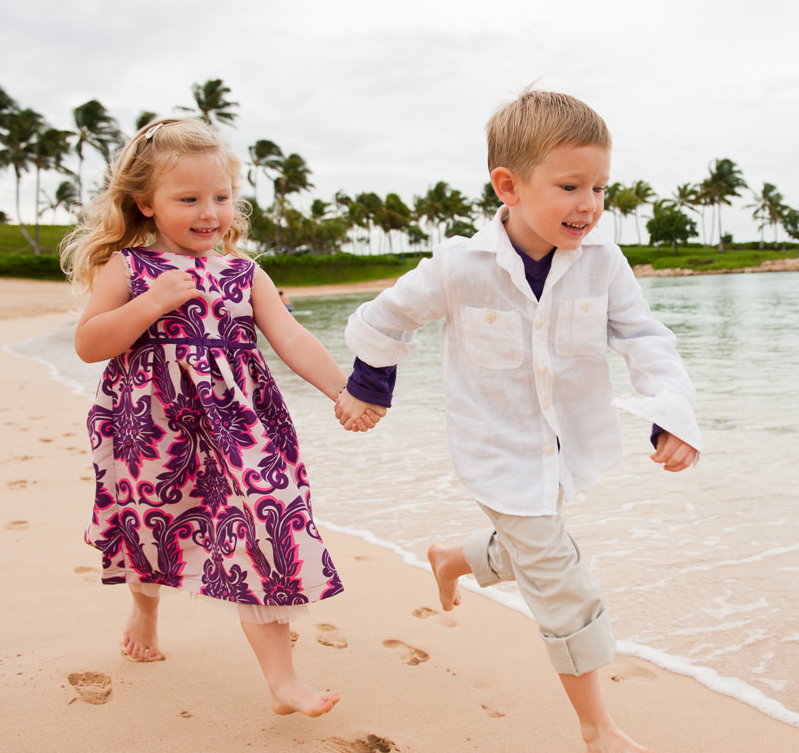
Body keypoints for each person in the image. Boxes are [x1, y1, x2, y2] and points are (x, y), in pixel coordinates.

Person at [334, 90, 700, 753]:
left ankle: (454, 558)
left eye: (600, 187)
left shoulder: (603, 262)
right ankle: (599, 729)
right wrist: (371, 388)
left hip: (566, 447)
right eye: (570, 186)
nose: (589, 204)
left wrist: (668, 416)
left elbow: (645, 338)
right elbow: (387, 317)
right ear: (509, 185)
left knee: (535, 544)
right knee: (563, 578)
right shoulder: (459, 266)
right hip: (496, 448)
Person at [60, 118, 373, 717]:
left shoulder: (244, 272)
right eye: (189, 199)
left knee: (263, 520)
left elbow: (290, 335)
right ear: (145, 203)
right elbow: (90, 343)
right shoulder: (128, 268)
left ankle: (283, 682)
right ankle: (145, 610)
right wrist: (152, 302)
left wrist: (343, 389)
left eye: (221, 198)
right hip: (149, 432)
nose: (209, 212)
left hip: (238, 428)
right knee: (154, 527)